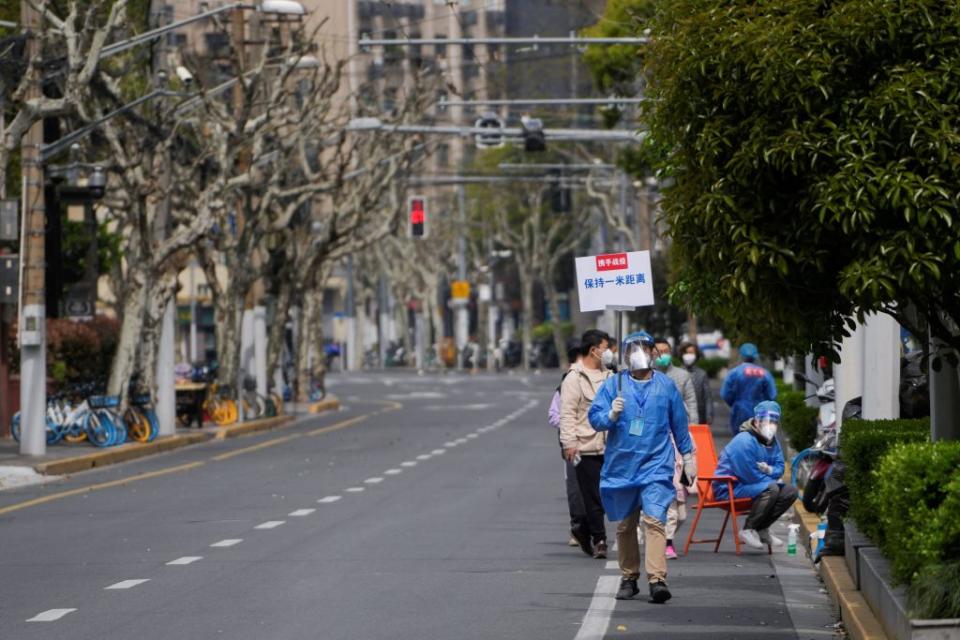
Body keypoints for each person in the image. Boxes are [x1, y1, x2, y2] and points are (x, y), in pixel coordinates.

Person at [588, 331, 696, 603]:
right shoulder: (615, 385)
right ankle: (629, 576)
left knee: (655, 520)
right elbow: (596, 419)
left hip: (656, 464)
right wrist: (611, 414)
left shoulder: (666, 386)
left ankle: (657, 578)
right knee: (626, 525)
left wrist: (688, 454)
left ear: (653, 353)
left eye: (644, 348)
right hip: (622, 466)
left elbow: (679, 423)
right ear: (624, 355)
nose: (639, 353)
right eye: (633, 348)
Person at [559, 330, 615, 559]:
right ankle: (599, 539)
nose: (609, 352)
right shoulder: (574, 378)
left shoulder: (612, 378)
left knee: (606, 494)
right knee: (592, 496)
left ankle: (585, 529)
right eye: (605, 347)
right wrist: (569, 443)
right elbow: (567, 414)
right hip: (585, 446)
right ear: (594, 350)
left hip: (611, 446)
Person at [713, 400, 797, 549]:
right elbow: (749, 476)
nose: (770, 425)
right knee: (773, 488)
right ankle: (748, 529)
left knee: (791, 491)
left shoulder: (773, 442)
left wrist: (770, 471)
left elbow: (780, 467)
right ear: (757, 421)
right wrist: (773, 477)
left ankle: (762, 528)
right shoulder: (744, 441)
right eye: (767, 420)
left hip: (753, 485)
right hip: (730, 488)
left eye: (774, 421)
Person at [548, 345, 588, 547]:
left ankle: (596, 532)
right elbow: (554, 415)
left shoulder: (599, 384)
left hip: (596, 445)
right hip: (572, 447)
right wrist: (571, 424)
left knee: (594, 491)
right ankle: (578, 528)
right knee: (575, 490)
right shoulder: (563, 387)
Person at [720, 342, 777, 436]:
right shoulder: (765, 373)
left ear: (741, 356)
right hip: (761, 412)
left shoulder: (734, 372)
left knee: (740, 438)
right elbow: (772, 395)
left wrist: (734, 403)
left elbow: (725, 393)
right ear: (756, 356)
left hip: (740, 410)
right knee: (760, 440)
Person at [653, 338, 698, 422]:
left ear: (670, 352)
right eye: (659, 352)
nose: (663, 354)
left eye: (665, 351)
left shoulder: (683, 375)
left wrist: (694, 422)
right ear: (652, 354)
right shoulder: (647, 375)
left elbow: (691, 401)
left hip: (679, 425)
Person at [680, 342, 713, 426]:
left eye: (691, 353)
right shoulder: (677, 373)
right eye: (686, 353)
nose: (688, 355)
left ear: (696, 355)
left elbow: (707, 397)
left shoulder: (702, 374)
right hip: (681, 415)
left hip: (700, 416)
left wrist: (709, 415)